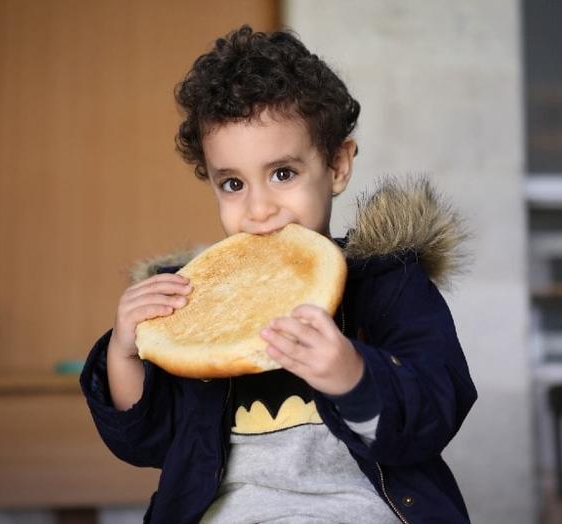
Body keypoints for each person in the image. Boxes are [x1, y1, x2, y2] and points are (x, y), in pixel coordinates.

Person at [80, 24, 477, 524]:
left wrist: (354, 375)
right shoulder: (196, 305)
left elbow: (438, 408)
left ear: (336, 167)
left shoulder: (389, 282)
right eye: (232, 184)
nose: (259, 209)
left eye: (283, 174)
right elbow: (150, 442)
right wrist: (124, 352)